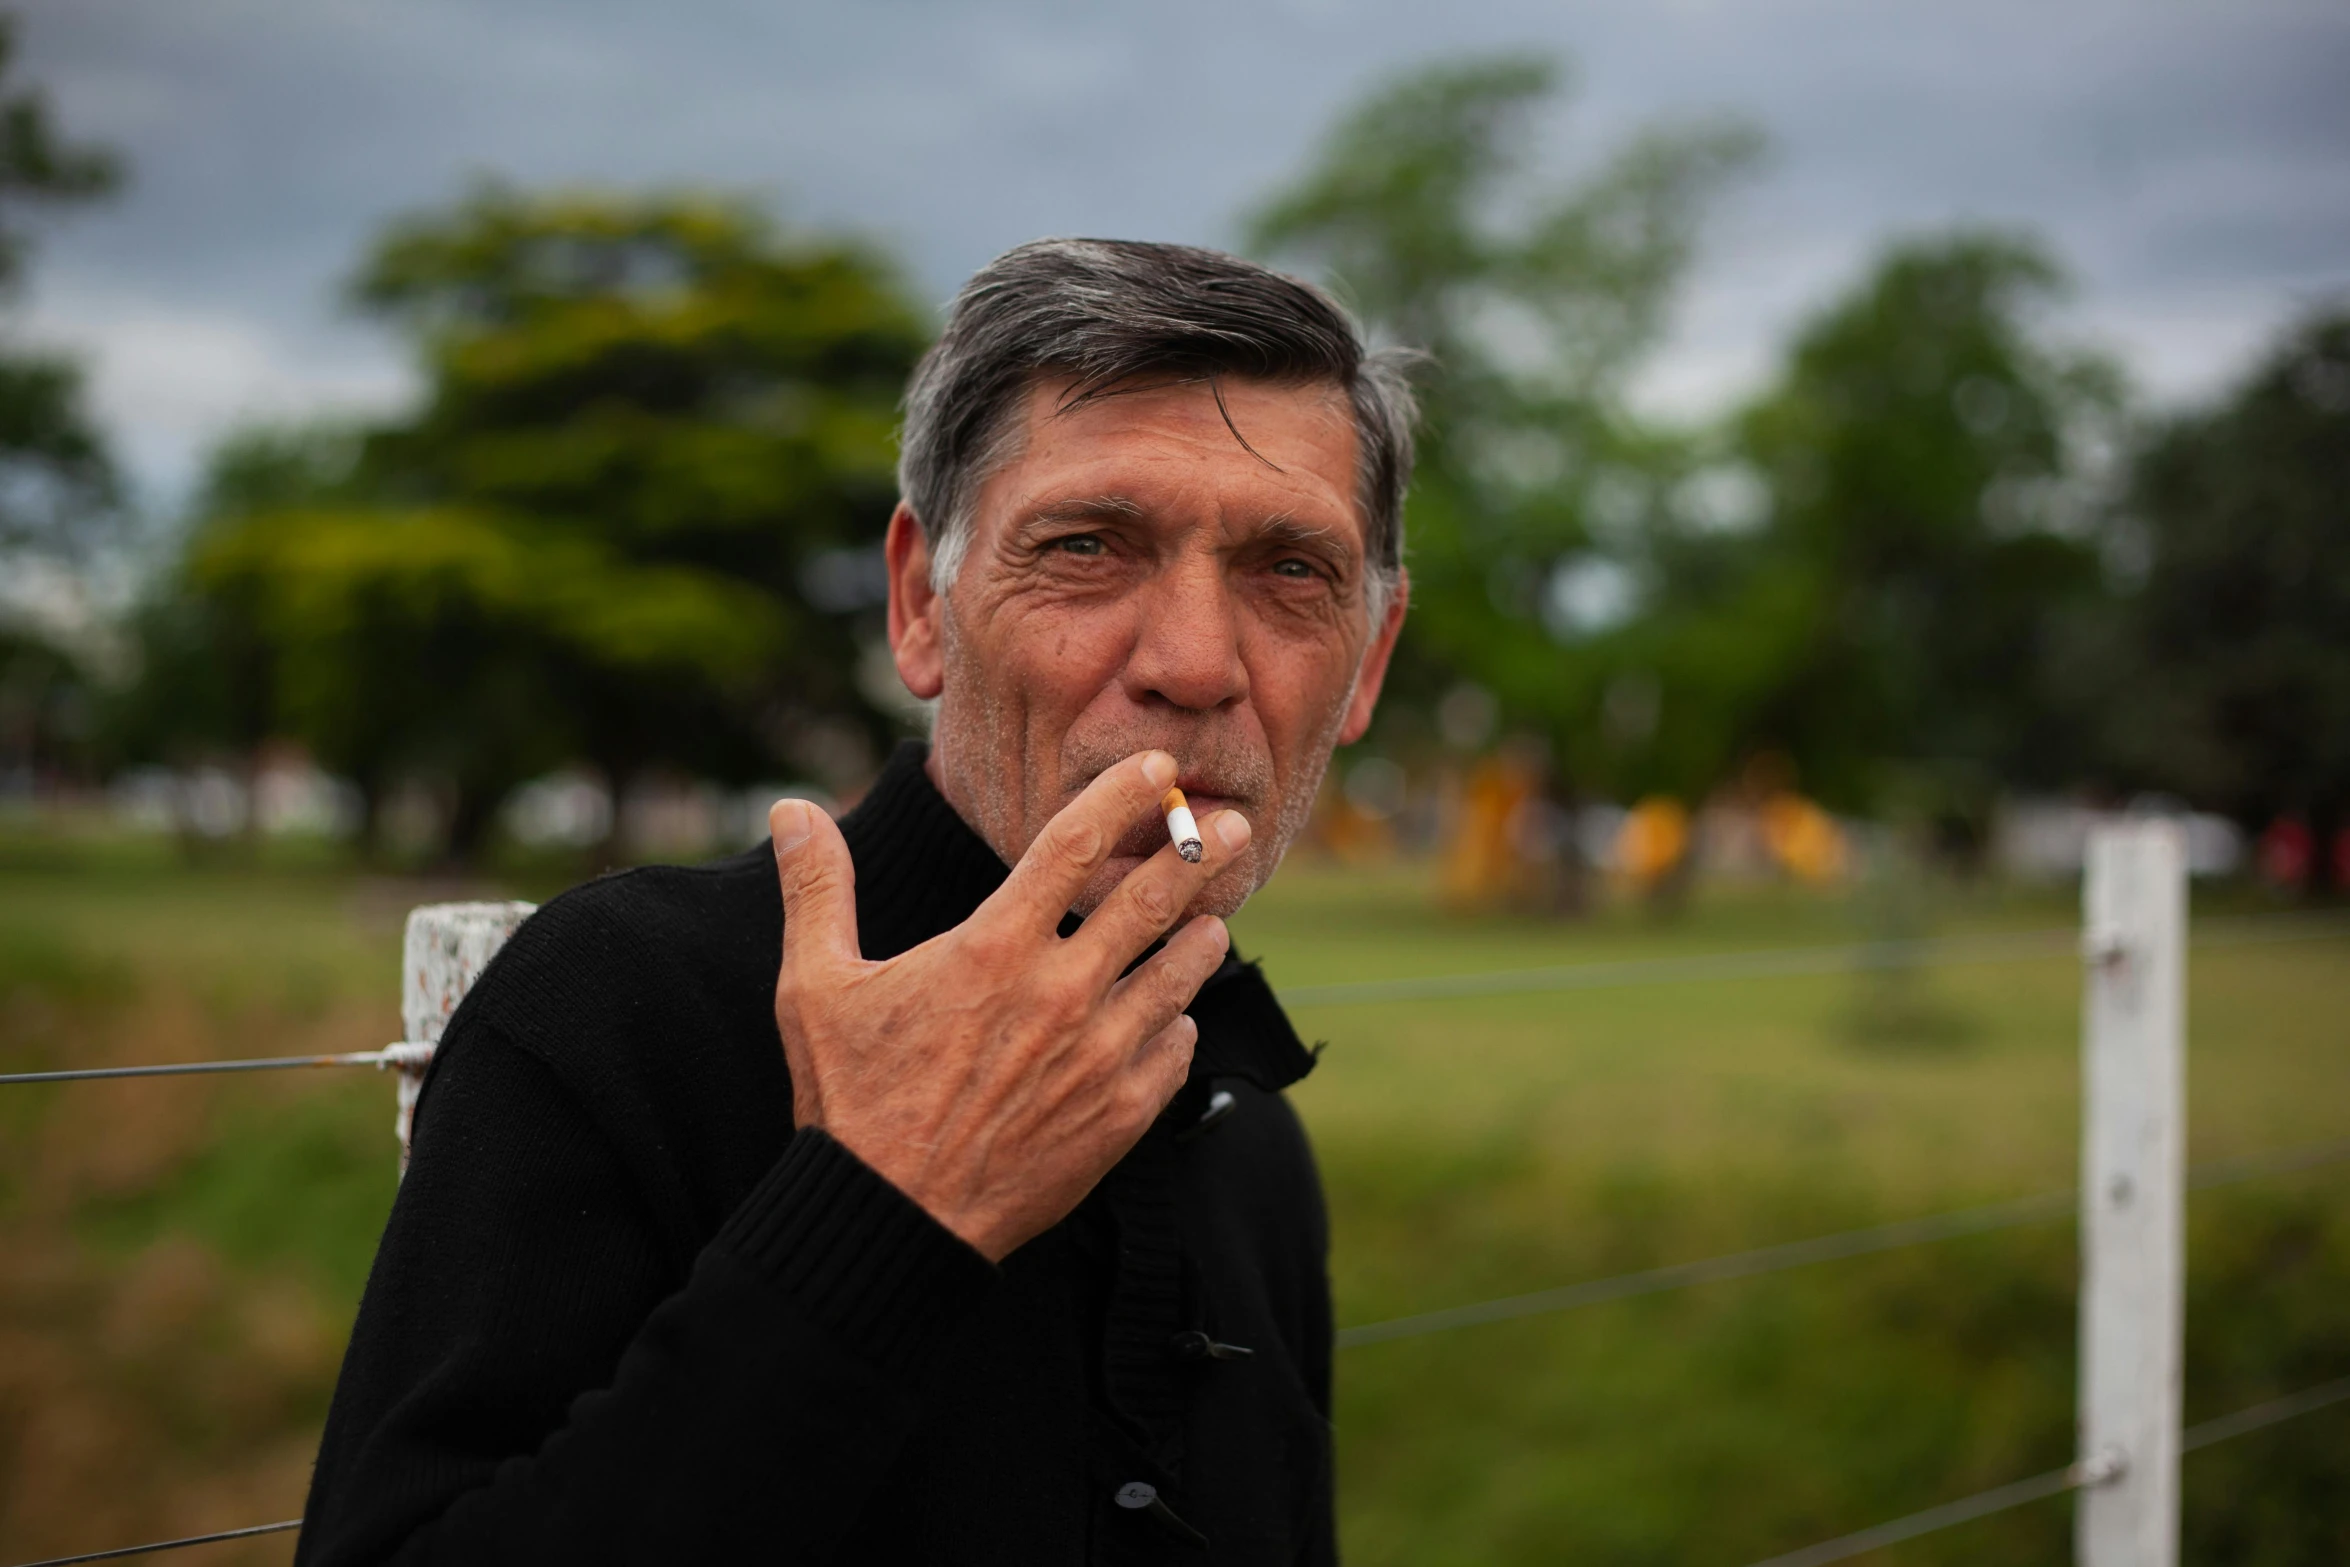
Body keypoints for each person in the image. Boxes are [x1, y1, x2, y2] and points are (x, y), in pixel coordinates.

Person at [297, 237, 1416, 1566]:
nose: (1193, 662)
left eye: (1291, 571)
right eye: (1085, 546)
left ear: (1365, 665)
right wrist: (882, 1212)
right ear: (919, 605)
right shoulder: (618, 1006)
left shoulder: (1242, 1131)